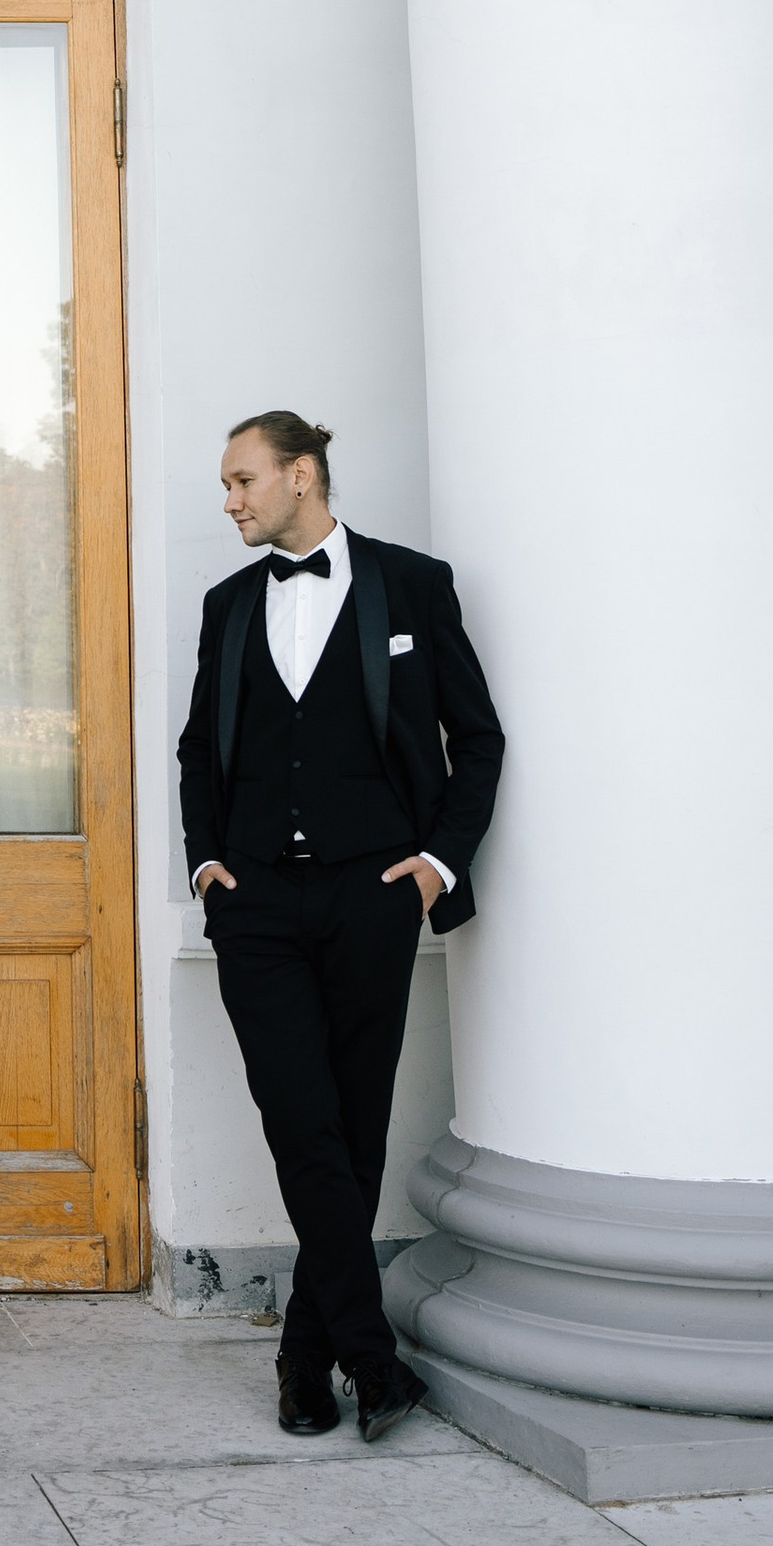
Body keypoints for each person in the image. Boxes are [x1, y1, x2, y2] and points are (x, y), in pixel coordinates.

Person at [178, 410, 503, 1443]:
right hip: (258, 905)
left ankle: (303, 1357)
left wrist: (437, 864)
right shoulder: (227, 605)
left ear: (302, 475)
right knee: (301, 1121)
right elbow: (198, 751)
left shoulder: (410, 584)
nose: (229, 500)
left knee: (351, 1130)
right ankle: (371, 1358)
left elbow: (477, 738)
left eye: (242, 480)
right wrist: (207, 861)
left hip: (374, 893)